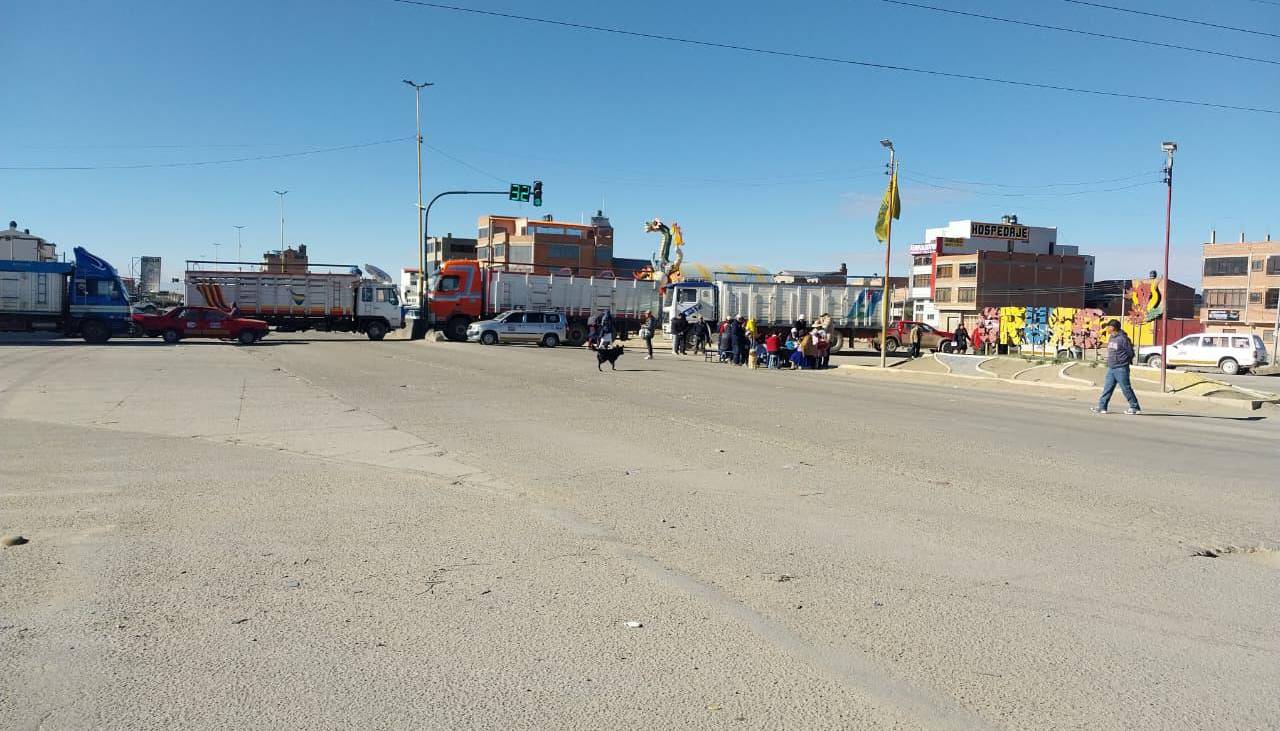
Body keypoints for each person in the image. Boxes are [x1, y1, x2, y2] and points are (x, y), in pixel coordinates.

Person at [1093, 320, 1141, 415]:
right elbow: (1112, 347)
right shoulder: (1112, 337)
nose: (1107, 328)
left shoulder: (1123, 339)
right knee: (1107, 388)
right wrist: (1101, 344)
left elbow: (1130, 352)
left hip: (1121, 368)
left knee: (1126, 388)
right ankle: (1102, 407)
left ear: (1113, 328)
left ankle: (1134, 407)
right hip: (1111, 368)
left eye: (1108, 327)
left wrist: (1124, 361)